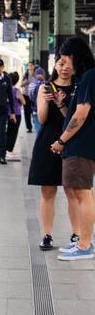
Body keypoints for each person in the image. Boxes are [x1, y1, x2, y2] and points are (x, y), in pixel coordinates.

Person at [50, 37, 95, 260]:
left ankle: (85, 245)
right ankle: (84, 242)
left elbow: (81, 113)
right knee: (79, 192)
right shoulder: (84, 78)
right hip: (79, 145)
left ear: (76, 56)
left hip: (81, 146)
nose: (64, 65)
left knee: (83, 193)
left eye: (67, 60)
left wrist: (62, 139)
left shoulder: (89, 77)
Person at [27, 59, 77, 251]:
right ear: (55, 66)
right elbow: (41, 118)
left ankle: (76, 234)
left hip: (71, 142)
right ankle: (47, 235)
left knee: (72, 191)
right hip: (47, 141)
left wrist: (60, 103)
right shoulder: (45, 88)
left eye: (68, 64)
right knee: (47, 191)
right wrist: (47, 102)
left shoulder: (79, 86)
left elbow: (75, 120)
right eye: (61, 63)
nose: (64, 67)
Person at [5, 71, 25, 157]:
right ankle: (9, 150)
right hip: (16, 113)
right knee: (13, 132)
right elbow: (23, 102)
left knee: (7, 131)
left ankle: (4, 149)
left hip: (6, 113)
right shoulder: (16, 90)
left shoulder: (4, 89)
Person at [30, 67, 46, 132]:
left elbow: (30, 97)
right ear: (44, 74)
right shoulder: (48, 84)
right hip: (46, 110)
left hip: (36, 110)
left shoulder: (31, 85)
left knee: (38, 128)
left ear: (35, 75)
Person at [21, 61, 36, 132]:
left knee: (34, 111)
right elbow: (21, 84)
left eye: (31, 65)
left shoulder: (36, 75)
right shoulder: (25, 75)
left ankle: (35, 124)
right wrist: (25, 82)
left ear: (33, 66)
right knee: (26, 112)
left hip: (34, 95)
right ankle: (29, 127)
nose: (29, 67)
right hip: (26, 95)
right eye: (29, 65)